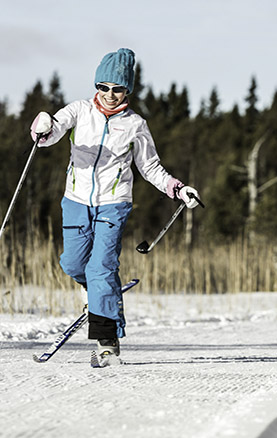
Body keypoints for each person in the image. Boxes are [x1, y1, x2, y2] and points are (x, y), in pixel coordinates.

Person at [29, 48, 200, 363]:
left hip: (114, 203)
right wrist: (42, 128)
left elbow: (150, 168)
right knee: (72, 264)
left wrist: (178, 189)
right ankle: (95, 293)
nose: (109, 94)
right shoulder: (79, 110)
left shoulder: (135, 125)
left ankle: (106, 342)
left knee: (101, 267)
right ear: (96, 86)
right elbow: (52, 133)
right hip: (76, 201)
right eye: (103, 87)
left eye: (117, 88)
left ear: (128, 90)